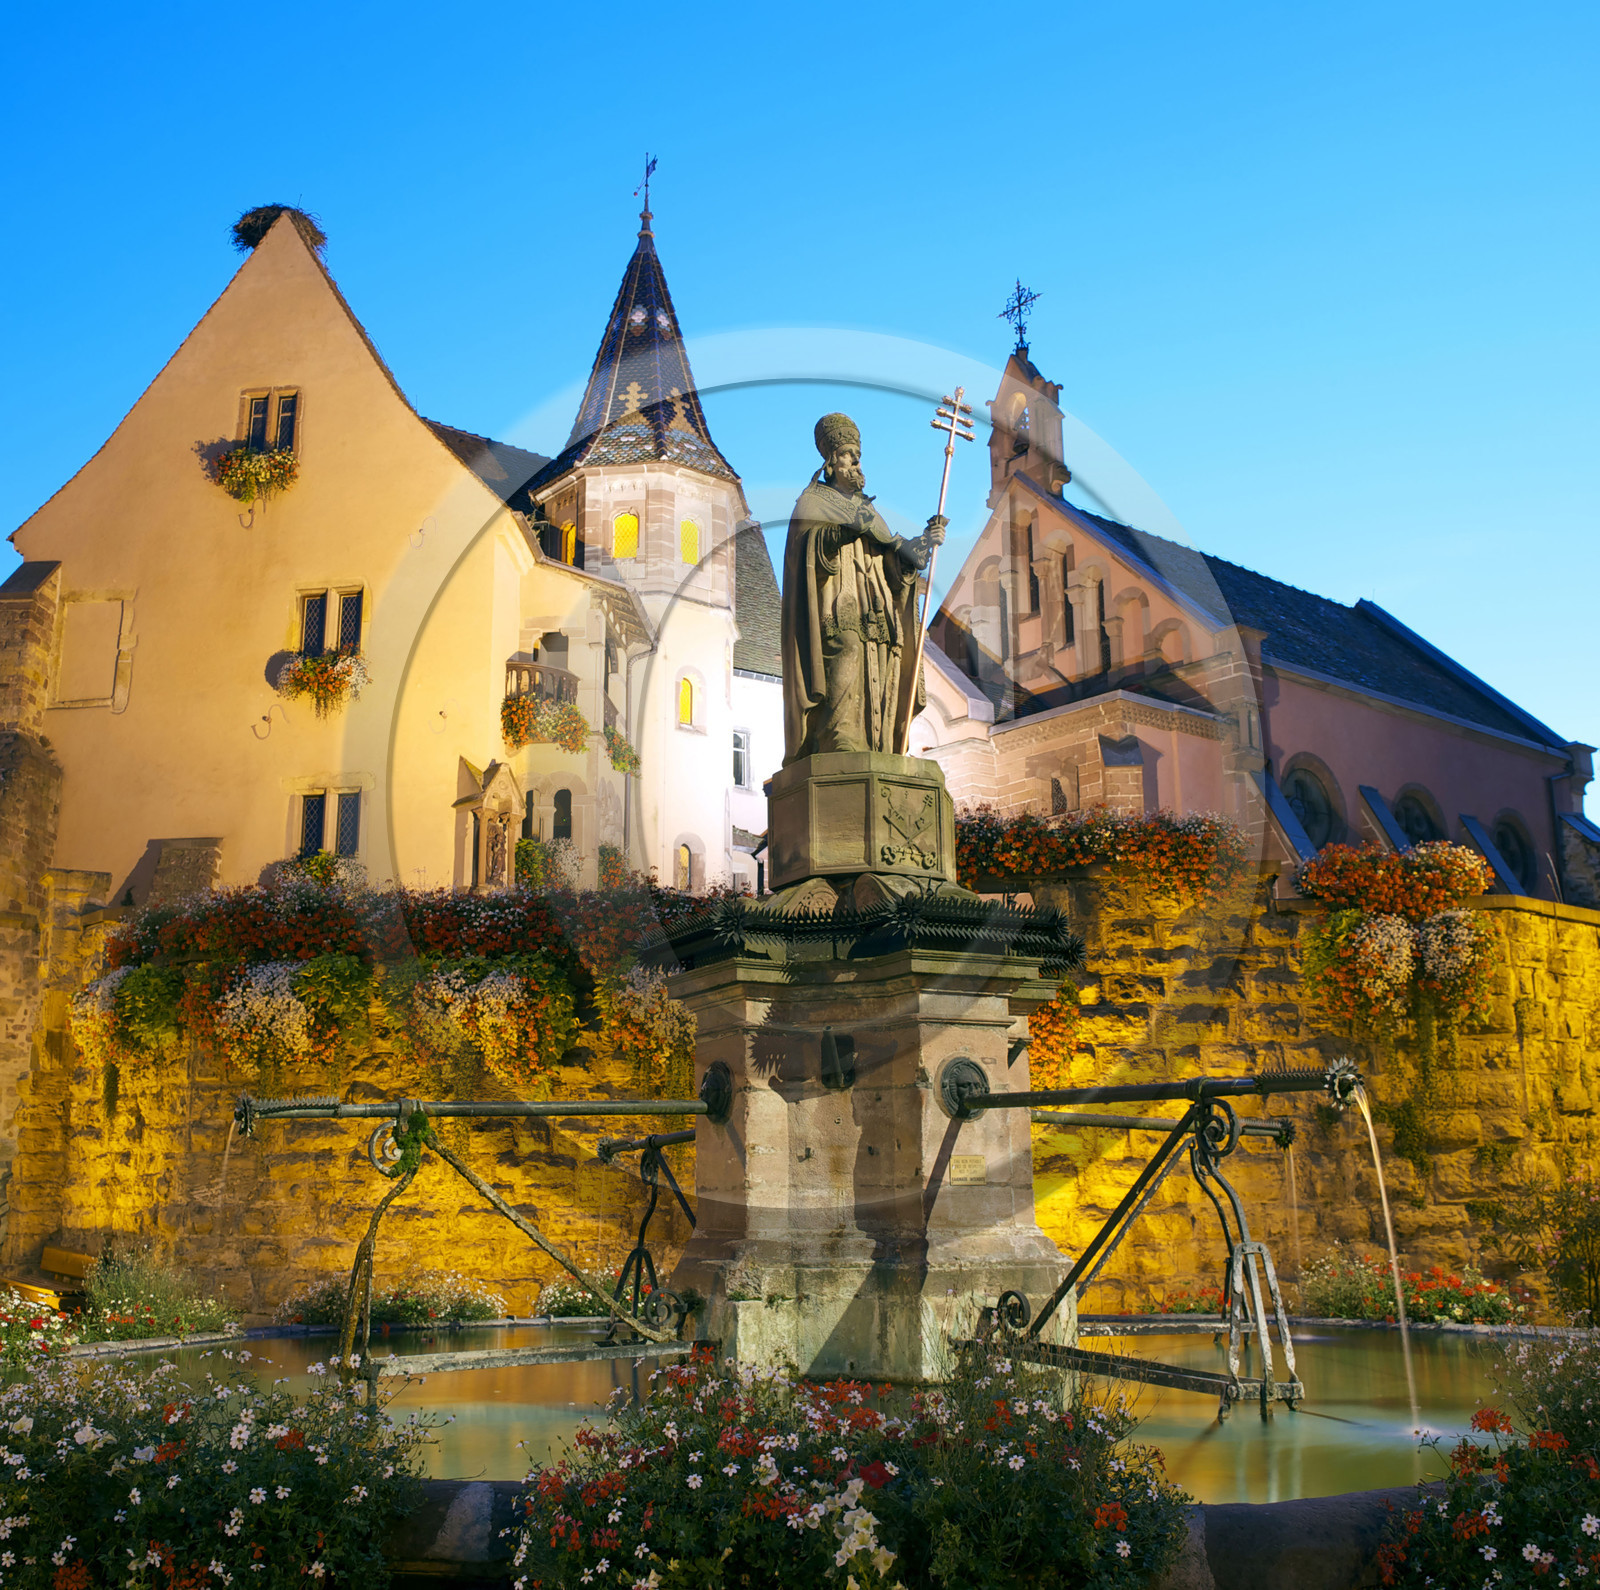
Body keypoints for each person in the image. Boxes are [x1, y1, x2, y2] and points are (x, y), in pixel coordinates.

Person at [780, 413, 946, 764]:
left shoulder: (869, 511)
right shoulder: (812, 501)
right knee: (848, 649)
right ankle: (838, 739)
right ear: (830, 461)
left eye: (857, 453)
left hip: (875, 603)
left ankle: (877, 746)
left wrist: (922, 545)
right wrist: (843, 530)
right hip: (836, 601)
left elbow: (896, 560)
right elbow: (806, 549)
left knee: (882, 660)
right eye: (847, 453)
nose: (855, 460)